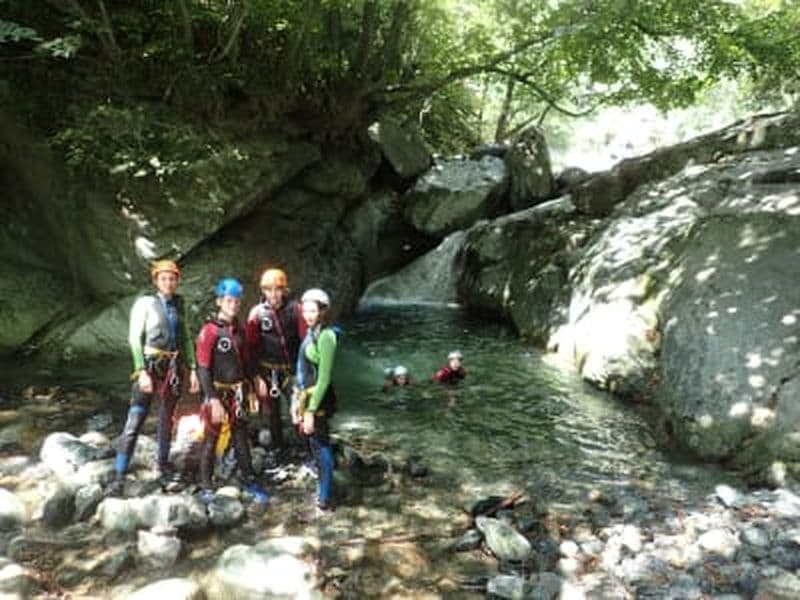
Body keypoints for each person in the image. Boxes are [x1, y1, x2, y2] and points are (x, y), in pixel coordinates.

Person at [108, 260, 199, 495]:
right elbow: (134, 338)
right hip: (151, 367)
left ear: (177, 281)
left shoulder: (180, 304)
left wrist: (192, 367)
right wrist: (141, 371)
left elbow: (186, 337)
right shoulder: (145, 304)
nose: (168, 282)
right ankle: (119, 473)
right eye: (164, 279)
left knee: (167, 419)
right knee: (135, 421)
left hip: (173, 368)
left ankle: (162, 465)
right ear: (156, 281)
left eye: (172, 278)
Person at [194, 277, 269, 505]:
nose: (233, 305)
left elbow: (246, 363)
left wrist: (255, 383)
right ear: (219, 301)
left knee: (240, 437)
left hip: (237, 393)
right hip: (217, 393)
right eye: (229, 300)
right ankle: (206, 486)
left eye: (236, 301)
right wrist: (212, 399)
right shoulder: (210, 331)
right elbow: (203, 368)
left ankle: (248, 479)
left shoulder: (239, 331)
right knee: (211, 439)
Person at [245, 268, 306, 450]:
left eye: (277, 289)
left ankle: (307, 451)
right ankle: (278, 450)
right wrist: (255, 378)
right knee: (272, 415)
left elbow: (305, 342)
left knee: (298, 410)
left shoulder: (296, 310)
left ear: (284, 289)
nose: (273, 294)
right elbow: (251, 348)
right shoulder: (257, 314)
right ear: (263, 291)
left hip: (291, 370)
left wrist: (304, 373)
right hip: (267, 371)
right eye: (268, 289)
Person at [295, 288, 339, 512]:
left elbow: (324, 379)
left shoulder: (326, 337)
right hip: (308, 397)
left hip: (319, 399)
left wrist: (311, 410)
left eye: (313, 310)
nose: (309, 314)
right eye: (306, 310)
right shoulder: (312, 332)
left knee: (321, 444)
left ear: (323, 311)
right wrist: (299, 402)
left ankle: (324, 499)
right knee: (314, 443)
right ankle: (325, 489)